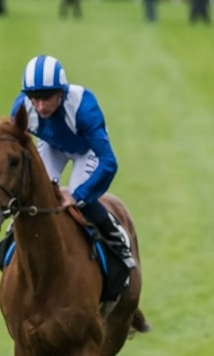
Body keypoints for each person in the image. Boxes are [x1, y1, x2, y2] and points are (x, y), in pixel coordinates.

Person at [10, 55, 135, 269]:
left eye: (46, 98)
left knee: (78, 196)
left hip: (85, 149)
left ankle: (116, 238)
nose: (40, 107)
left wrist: (77, 196)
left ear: (61, 92)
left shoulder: (83, 107)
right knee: (39, 193)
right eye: (34, 98)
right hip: (51, 146)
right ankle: (10, 238)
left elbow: (108, 162)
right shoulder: (22, 107)